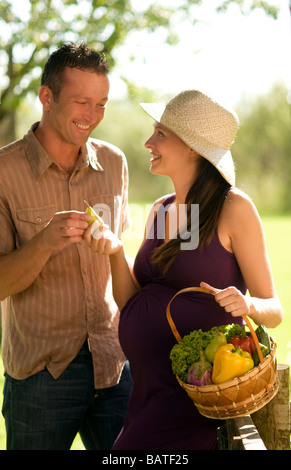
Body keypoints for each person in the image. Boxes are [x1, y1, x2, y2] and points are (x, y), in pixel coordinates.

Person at [84, 89, 283, 450]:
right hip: (146, 395)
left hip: (192, 404)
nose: (148, 142)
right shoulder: (161, 209)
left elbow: (274, 309)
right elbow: (134, 301)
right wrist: (114, 252)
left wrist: (249, 306)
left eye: (160, 134)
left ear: (193, 147)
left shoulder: (233, 208)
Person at [0, 42, 132, 450]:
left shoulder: (114, 163)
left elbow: (121, 263)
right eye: (81, 102)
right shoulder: (4, 172)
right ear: (46, 97)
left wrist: (113, 249)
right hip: (40, 378)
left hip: (114, 368)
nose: (92, 116)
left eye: (102, 104)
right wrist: (43, 243)